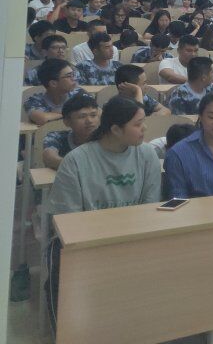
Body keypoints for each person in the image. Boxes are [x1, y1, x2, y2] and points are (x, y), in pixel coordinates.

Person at [45, 97, 162, 328]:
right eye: (138, 124)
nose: (145, 129)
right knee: (63, 266)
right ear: (116, 129)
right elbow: (68, 221)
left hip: (133, 237)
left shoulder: (147, 154)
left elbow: (149, 207)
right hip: (87, 242)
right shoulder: (76, 161)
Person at [42, 94, 100, 170]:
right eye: (82, 116)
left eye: (93, 115)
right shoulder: (56, 137)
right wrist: (78, 167)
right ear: (67, 122)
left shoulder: (105, 138)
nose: (89, 121)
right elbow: (49, 158)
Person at [25, 59, 84, 125]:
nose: (74, 79)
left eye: (73, 75)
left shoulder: (79, 94)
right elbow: (42, 118)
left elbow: (92, 113)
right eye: (68, 76)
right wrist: (73, 114)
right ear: (53, 83)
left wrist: (54, 115)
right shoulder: (34, 100)